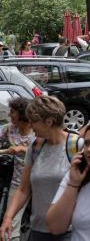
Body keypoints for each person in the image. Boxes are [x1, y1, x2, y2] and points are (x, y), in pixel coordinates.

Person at [0, 96, 72, 240]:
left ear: (49, 122)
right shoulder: (35, 148)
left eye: (33, 121)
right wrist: (8, 218)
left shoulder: (76, 146)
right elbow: (23, 189)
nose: (30, 125)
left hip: (70, 231)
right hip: (38, 230)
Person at [0, 98, 34, 241]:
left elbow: (47, 151)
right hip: (19, 182)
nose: (9, 115)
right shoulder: (9, 128)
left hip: (40, 181)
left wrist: (23, 149)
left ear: (22, 114)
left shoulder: (37, 130)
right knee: (10, 225)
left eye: (13, 112)